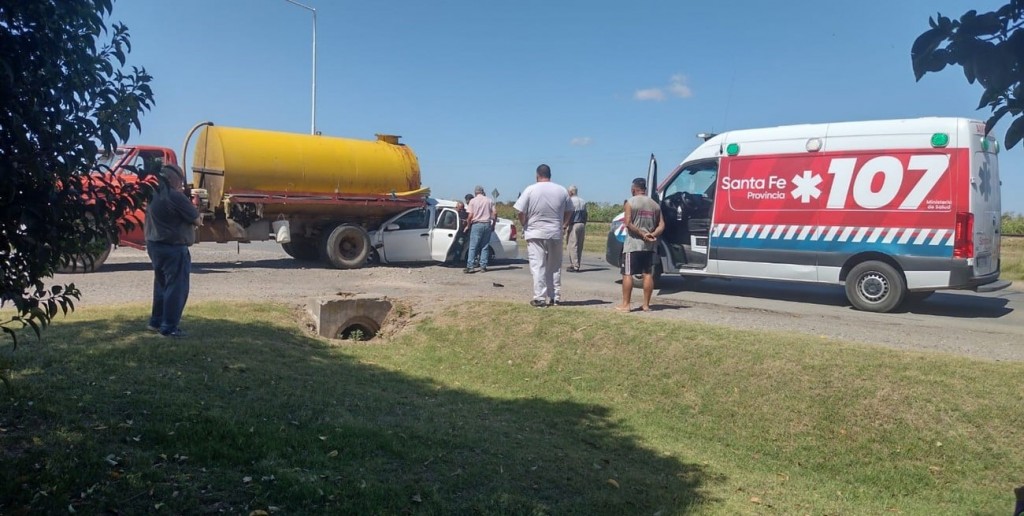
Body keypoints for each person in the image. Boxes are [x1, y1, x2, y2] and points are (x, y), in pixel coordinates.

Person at [145, 164, 202, 337]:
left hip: (154, 244)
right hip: (173, 247)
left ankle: (156, 322)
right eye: (180, 180)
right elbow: (196, 220)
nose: (182, 184)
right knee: (176, 289)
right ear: (171, 179)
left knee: (161, 286)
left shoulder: (153, 194)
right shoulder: (175, 196)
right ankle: (169, 328)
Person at [514, 164, 572, 307]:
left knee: (538, 265)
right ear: (550, 174)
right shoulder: (561, 190)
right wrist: (563, 224)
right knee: (554, 265)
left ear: (537, 175)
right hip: (555, 232)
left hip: (535, 231)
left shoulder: (530, 189)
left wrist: (524, 223)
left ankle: (540, 297)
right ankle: (555, 296)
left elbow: (520, 211)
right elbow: (570, 210)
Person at [616, 177, 665, 313]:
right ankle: (646, 305)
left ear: (634, 189)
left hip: (633, 245)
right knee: (648, 274)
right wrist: (652, 235)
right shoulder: (655, 204)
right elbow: (662, 225)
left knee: (627, 274)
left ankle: (626, 305)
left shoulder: (630, 202)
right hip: (649, 246)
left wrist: (642, 235)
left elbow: (628, 223)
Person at [465, 185, 496, 273]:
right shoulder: (489, 200)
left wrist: (468, 224)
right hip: (487, 224)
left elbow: (470, 215)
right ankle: (483, 266)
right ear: (482, 192)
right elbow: (495, 213)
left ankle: (470, 266)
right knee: (485, 246)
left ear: (475, 192)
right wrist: (493, 224)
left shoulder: (472, 201)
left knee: (473, 246)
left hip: (477, 224)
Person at [564, 185, 588, 272]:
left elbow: (568, 214)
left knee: (572, 245)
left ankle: (575, 265)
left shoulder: (570, 201)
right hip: (582, 224)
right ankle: (577, 263)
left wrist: (565, 225)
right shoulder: (583, 201)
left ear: (571, 192)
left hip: (574, 224)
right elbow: (586, 214)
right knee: (579, 245)